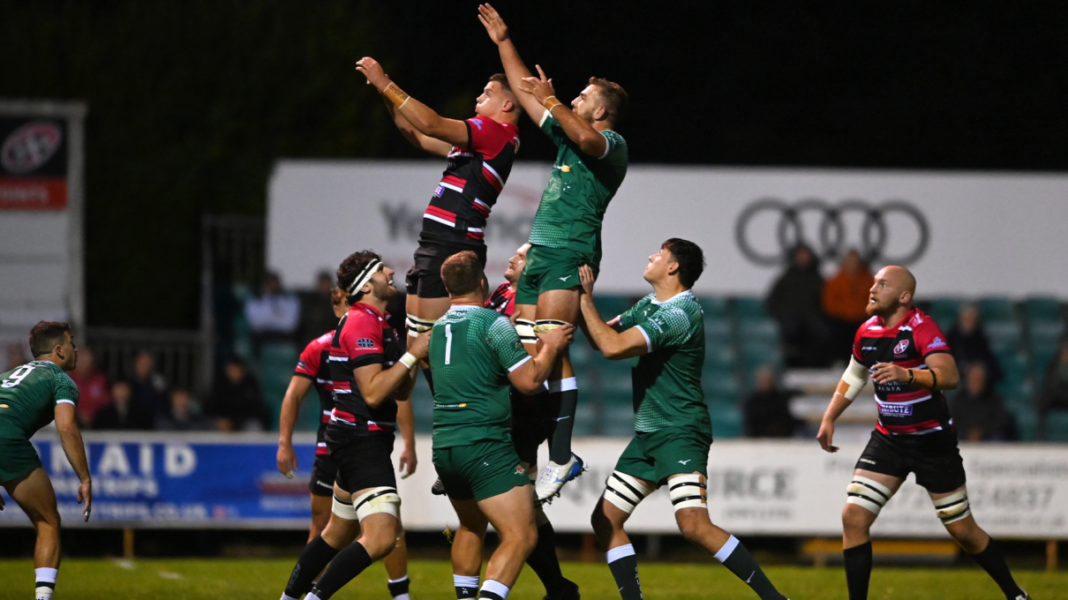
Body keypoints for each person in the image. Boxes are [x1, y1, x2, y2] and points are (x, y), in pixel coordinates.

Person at [578, 240, 789, 600]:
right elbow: (602, 338)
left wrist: (583, 299)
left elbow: (613, 348)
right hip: (649, 433)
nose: (650, 256)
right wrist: (577, 302)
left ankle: (775, 599)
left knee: (692, 525)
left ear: (674, 267)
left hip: (679, 430)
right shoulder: (650, 304)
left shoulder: (680, 313)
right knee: (605, 519)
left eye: (659, 253)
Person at [479, 3, 630, 501]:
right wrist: (504, 40)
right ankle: (512, 448)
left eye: (584, 96)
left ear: (601, 109)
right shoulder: (568, 134)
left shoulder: (610, 141)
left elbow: (582, 133)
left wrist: (555, 102)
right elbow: (528, 93)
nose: (574, 99)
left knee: (553, 346)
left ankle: (561, 456)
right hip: (541, 251)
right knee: (523, 353)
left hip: (570, 252)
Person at [816, 266, 1031, 600]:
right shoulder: (866, 331)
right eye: (873, 282)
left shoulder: (921, 327)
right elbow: (855, 375)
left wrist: (908, 374)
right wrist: (830, 417)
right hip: (888, 439)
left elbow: (949, 375)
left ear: (904, 297)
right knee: (853, 517)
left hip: (932, 442)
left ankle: (1016, 595)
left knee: (963, 530)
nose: (872, 289)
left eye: (882, 284)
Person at [433, 246, 581, 600]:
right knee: (521, 533)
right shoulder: (493, 320)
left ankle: (557, 589)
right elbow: (530, 380)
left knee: (472, 525)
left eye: (522, 255)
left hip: (445, 442)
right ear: (481, 282)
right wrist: (550, 347)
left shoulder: (438, 328)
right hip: (488, 439)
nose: (513, 259)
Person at [354, 56, 522, 366]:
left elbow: (429, 123)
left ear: (508, 105)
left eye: (487, 92)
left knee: (437, 353)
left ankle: (463, 410)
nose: (478, 97)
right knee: (421, 351)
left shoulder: (495, 132)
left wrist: (385, 83)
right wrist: (385, 94)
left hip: (453, 245)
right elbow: (417, 135)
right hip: (434, 244)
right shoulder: (480, 143)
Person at [280, 251, 430, 600]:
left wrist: (414, 355)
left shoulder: (381, 322)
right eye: (381, 269)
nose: (390, 271)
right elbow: (375, 393)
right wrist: (411, 355)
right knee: (381, 537)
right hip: (361, 439)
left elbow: (399, 390)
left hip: (361, 438)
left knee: (334, 534)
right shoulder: (362, 322)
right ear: (365, 284)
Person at [0, 321, 92, 600]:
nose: (76, 348)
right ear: (58, 351)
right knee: (48, 522)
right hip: (7, 438)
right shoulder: (61, 380)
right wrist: (85, 478)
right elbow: (67, 428)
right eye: (71, 342)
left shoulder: (9, 374)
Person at [766, 244, 829, 368]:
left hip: (813, 321)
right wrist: (784, 314)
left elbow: (828, 302)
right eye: (800, 255)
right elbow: (772, 300)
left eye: (805, 255)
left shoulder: (818, 279)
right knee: (790, 334)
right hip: (791, 321)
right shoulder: (786, 278)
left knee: (823, 333)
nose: (803, 258)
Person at [822, 250, 874, 361]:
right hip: (841, 320)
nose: (852, 265)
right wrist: (843, 313)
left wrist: (862, 313)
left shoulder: (868, 281)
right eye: (849, 262)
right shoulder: (836, 281)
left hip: (862, 318)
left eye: (855, 262)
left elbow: (874, 301)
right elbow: (829, 303)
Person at [948, 363, 1014, 442]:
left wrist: (982, 432)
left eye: (979, 379)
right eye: (973, 379)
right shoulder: (958, 399)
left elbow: (1001, 419)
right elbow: (953, 419)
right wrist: (968, 432)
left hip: (988, 436)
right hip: (964, 435)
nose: (976, 382)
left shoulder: (993, 399)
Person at [204, 355, 268, 431]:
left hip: (243, 423)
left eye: (237, 369)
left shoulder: (250, 385)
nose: (234, 372)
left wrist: (234, 422)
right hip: (221, 423)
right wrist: (219, 420)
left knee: (254, 427)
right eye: (231, 369)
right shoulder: (218, 384)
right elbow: (209, 406)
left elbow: (256, 410)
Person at [945, 303, 1002, 384]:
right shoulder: (951, 337)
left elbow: (988, 359)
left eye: (973, 319)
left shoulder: (980, 338)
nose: (970, 322)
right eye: (967, 319)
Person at [246, 272, 302, 350]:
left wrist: (269, 320)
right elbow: (255, 323)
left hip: (282, 334)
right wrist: (276, 319)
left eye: (275, 283)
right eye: (270, 283)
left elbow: (290, 324)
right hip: (264, 334)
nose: (273, 286)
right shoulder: (259, 301)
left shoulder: (289, 301)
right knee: (254, 338)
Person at [742, 365, 801, 438]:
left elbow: (787, 423)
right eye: (762, 380)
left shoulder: (781, 400)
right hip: (757, 441)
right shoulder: (751, 402)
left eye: (767, 379)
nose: (765, 382)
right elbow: (751, 426)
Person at [67, 346, 110, 427]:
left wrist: (93, 414)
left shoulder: (100, 379)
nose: (85, 366)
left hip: (98, 423)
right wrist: (79, 414)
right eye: (82, 362)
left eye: (88, 362)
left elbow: (105, 402)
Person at [1035, 342, 1068, 441]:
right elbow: (1050, 383)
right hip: (1059, 396)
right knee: (1041, 401)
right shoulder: (1054, 364)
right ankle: (1040, 437)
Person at [128, 349, 168, 418]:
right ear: (135, 363)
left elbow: (162, 403)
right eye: (142, 363)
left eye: (147, 363)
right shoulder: (128, 382)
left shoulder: (157, 381)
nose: (144, 366)